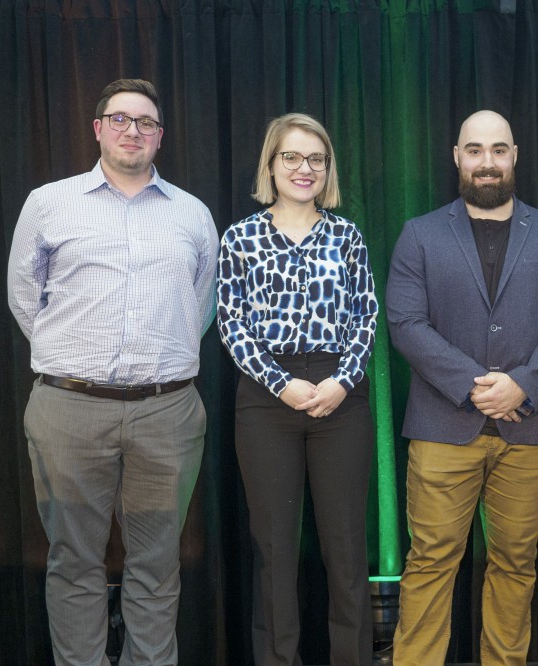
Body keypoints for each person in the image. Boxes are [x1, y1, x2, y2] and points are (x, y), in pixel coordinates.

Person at [6, 78, 218, 664]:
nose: (133, 130)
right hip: (69, 409)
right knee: (74, 562)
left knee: (157, 564)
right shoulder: (50, 202)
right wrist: (75, 359)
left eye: (145, 122)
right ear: (98, 127)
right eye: (120, 119)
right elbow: (26, 300)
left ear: (160, 137)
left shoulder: (192, 215)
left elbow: (199, 308)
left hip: (167, 411)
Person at [386, 110, 538, 664]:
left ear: (515, 155)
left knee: (515, 564)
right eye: (474, 150)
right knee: (430, 562)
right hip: (441, 427)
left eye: (498, 150)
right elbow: (405, 323)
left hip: (530, 429)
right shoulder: (419, 234)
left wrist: (521, 386)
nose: (487, 162)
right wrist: (477, 386)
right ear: (457, 157)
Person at [217, 113, 377, 665]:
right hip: (266, 400)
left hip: (341, 396)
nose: (304, 168)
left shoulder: (347, 236)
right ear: (271, 164)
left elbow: (366, 316)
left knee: (346, 553)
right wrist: (283, 384)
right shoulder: (239, 237)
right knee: (275, 554)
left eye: (316, 159)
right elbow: (231, 322)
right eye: (291, 157)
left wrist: (340, 381)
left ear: (327, 169)